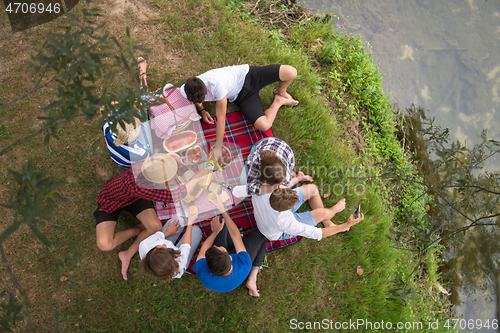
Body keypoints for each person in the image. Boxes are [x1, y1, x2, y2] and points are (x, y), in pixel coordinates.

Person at [93, 161, 209, 280]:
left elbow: (165, 161)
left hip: (134, 198)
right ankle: (138, 230)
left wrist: (177, 160)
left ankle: (127, 254)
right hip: (110, 202)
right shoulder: (143, 189)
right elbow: (174, 196)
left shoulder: (148, 165)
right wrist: (197, 177)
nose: (166, 184)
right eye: (164, 181)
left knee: (155, 227)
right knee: (104, 244)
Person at [180, 64, 298, 162]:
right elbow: (197, 100)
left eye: (203, 98)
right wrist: (202, 110)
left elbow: (221, 121)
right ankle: (278, 101)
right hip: (243, 96)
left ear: (206, 87)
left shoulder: (217, 87)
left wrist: (218, 147)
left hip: (250, 75)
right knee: (264, 125)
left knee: (291, 72)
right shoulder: (186, 89)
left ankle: (280, 91)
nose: (202, 101)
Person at [193, 195, 268, 297]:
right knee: (261, 234)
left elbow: (204, 248)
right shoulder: (244, 264)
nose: (217, 246)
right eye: (219, 248)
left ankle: (229, 240)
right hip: (240, 266)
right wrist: (223, 210)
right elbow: (235, 236)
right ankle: (254, 273)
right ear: (230, 257)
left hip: (223, 271)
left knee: (220, 222)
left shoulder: (201, 270)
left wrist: (215, 232)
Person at [252, 184, 364, 242]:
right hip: (276, 231)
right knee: (323, 213)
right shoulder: (286, 223)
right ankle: (329, 218)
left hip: (271, 213)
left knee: (312, 189)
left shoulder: (262, 188)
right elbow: (318, 234)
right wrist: (342, 218)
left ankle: (328, 223)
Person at [101, 57, 150, 168]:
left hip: (117, 159)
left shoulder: (109, 128)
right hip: (132, 161)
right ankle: (142, 73)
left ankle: (142, 72)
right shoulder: (142, 153)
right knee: (144, 101)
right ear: (138, 134)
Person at [139, 210, 202, 281]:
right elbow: (186, 246)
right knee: (196, 230)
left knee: (178, 220)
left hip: (168, 248)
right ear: (172, 254)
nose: (164, 244)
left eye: (158, 246)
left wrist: (168, 232)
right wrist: (190, 222)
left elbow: (158, 236)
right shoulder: (179, 264)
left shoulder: (145, 245)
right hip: (179, 257)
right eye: (165, 247)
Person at [244, 137, 314, 196]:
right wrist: (274, 187)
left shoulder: (285, 175)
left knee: (285, 186)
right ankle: (296, 175)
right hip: (268, 144)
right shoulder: (256, 161)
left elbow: (286, 185)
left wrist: (278, 187)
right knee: (246, 179)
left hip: (286, 152)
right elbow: (249, 189)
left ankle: (299, 178)